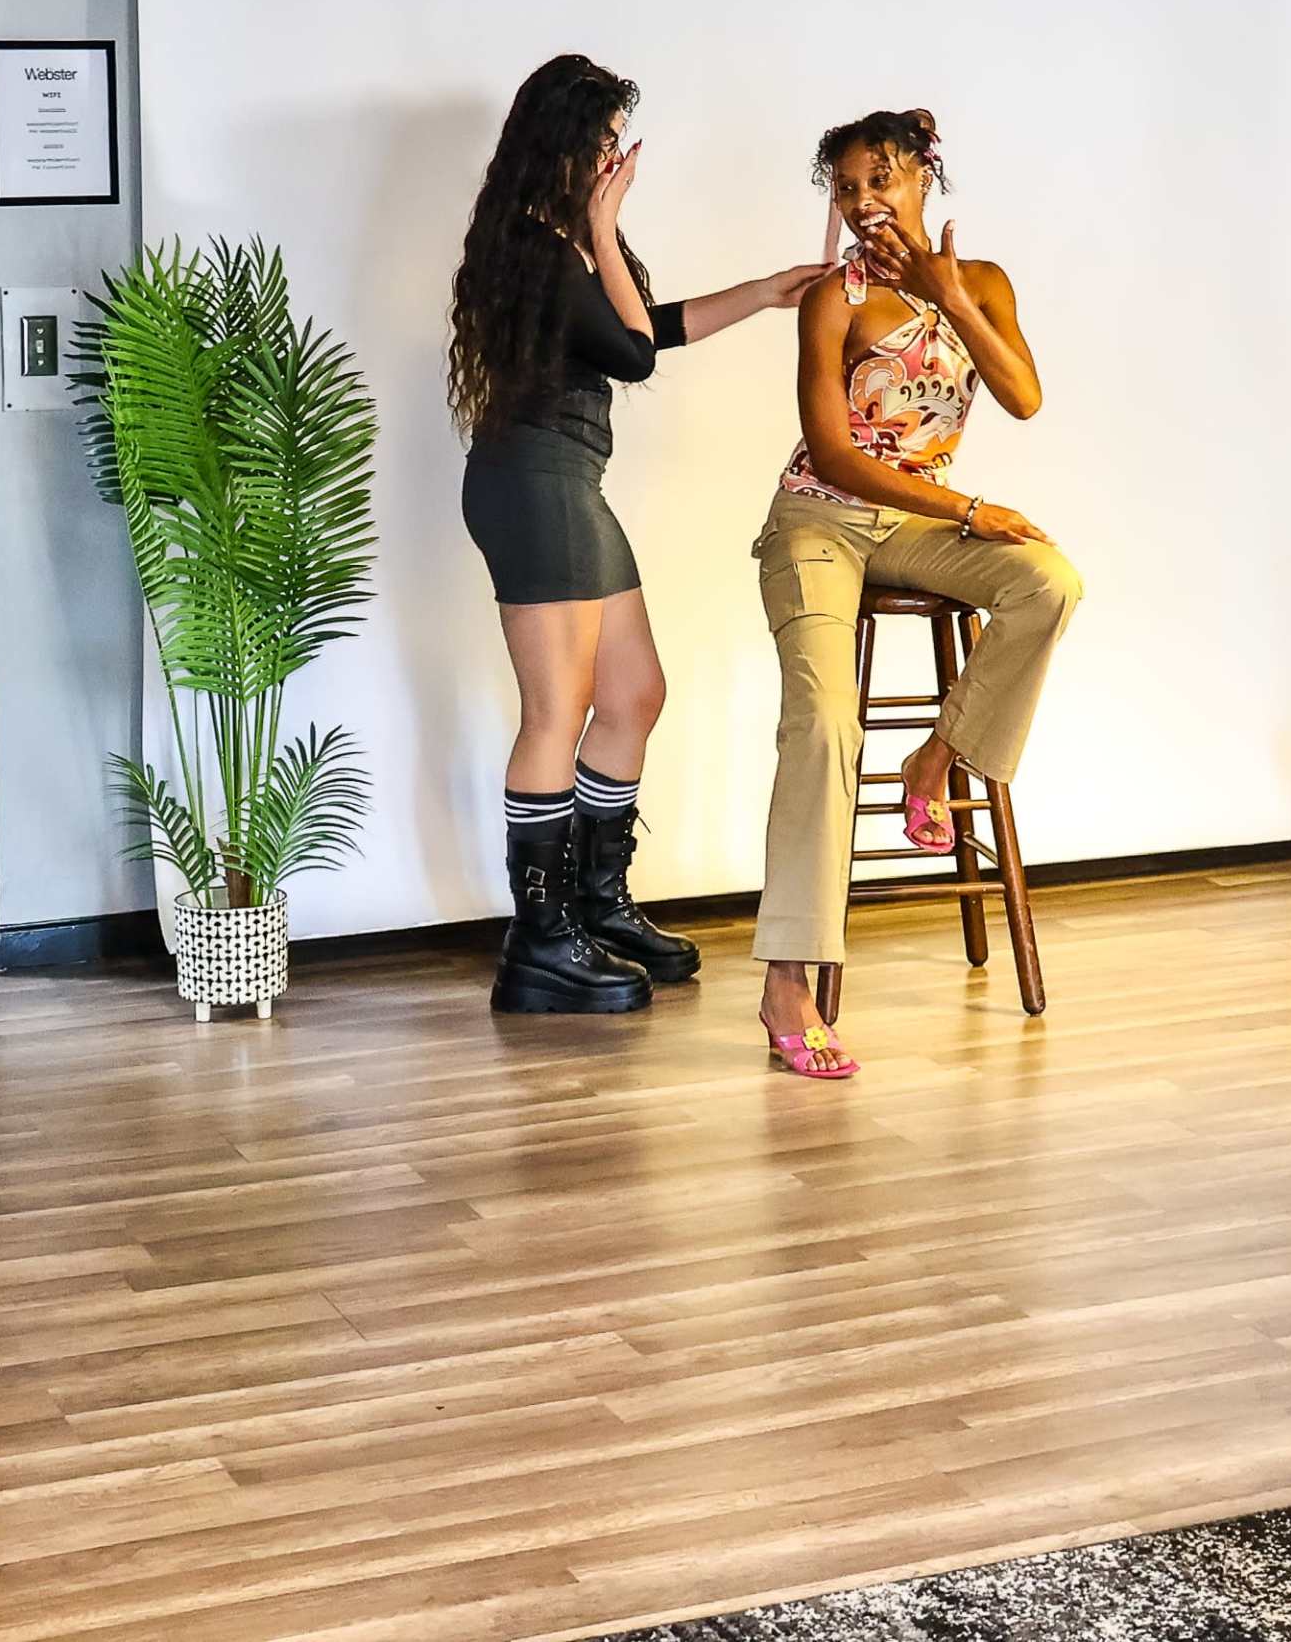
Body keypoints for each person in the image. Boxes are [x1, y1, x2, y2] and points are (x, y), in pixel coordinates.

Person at [451, 54, 820, 1015]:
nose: (616, 158)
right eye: (605, 141)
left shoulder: (559, 250)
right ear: (562, 145)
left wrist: (769, 288)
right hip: (533, 486)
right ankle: (540, 946)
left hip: (567, 484)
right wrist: (607, 231)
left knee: (634, 693)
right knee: (557, 709)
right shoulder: (542, 245)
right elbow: (632, 351)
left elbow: (637, 326)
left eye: (619, 141)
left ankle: (597, 906)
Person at [750, 108, 1080, 1078]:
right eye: (846, 188)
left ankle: (939, 757)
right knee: (823, 723)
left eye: (879, 181)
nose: (862, 203)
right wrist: (970, 510)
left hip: (924, 524)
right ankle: (786, 981)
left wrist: (946, 294)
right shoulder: (831, 299)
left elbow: (1022, 397)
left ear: (924, 179)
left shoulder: (980, 283)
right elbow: (837, 459)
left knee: (1049, 583)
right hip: (819, 519)